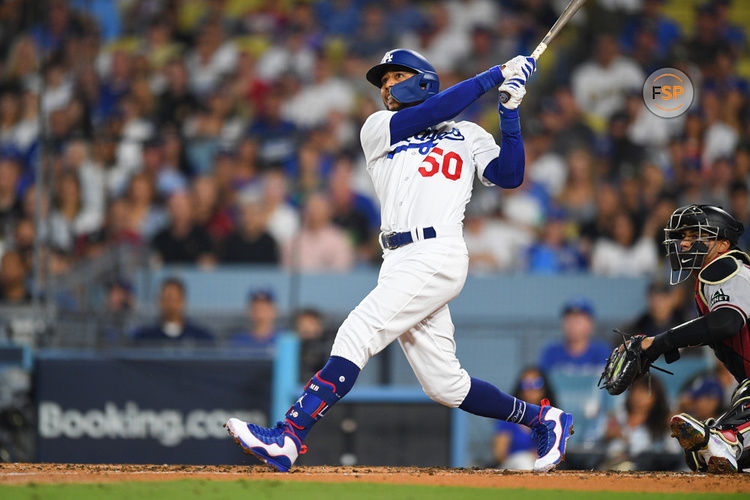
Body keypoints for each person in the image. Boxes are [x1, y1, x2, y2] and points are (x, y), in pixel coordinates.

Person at [226, 49, 573, 473]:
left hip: (437, 252)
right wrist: (494, 76)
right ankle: (543, 418)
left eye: (395, 75)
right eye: (383, 79)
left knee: (356, 332)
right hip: (397, 257)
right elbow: (434, 111)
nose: (387, 85)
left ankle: (289, 435)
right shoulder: (378, 127)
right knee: (445, 384)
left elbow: (509, 175)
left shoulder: (466, 134)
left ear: (423, 78)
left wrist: (509, 110)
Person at [600, 205, 750, 473]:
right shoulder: (716, 278)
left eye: (696, 235)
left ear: (723, 244)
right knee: (704, 454)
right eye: (683, 236)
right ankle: (722, 444)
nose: (684, 244)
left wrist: (660, 342)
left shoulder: (726, 267)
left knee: (726, 433)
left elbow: (726, 322)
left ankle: (727, 438)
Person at [493, 367, 558, 470]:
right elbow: (500, 454)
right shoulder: (508, 415)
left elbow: (557, 453)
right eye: (526, 384)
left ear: (545, 388)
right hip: (513, 466)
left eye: (537, 383)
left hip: (543, 465)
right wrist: (526, 456)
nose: (531, 389)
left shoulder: (552, 418)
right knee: (523, 461)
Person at [538, 297, 611, 374]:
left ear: (590, 324)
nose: (572, 325)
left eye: (578, 321)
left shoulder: (602, 352)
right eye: (569, 320)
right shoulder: (551, 352)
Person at [131, 277, 213, 343]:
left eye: (174, 299)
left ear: (183, 301)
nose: (170, 304)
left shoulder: (201, 337)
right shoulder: (144, 337)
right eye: (166, 299)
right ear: (158, 301)